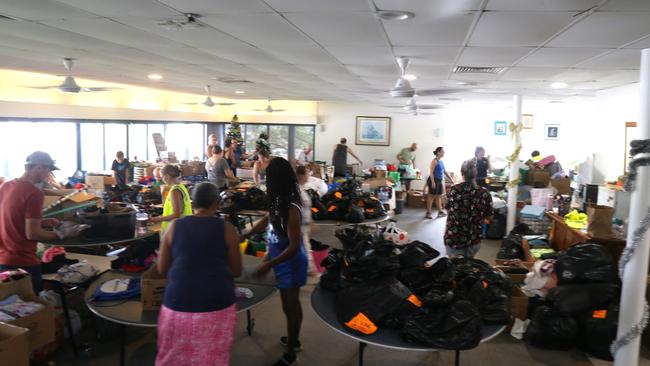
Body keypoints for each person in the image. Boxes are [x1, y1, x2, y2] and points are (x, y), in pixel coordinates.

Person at [155, 182, 242, 366]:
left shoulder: (174, 226)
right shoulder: (227, 229)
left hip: (177, 303)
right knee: (212, 358)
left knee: (173, 358)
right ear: (217, 203)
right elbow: (236, 271)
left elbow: (162, 269)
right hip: (217, 303)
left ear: (193, 202)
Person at [242, 158, 307, 366]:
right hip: (282, 258)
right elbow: (269, 218)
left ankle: (290, 354)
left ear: (276, 179)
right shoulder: (280, 198)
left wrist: (268, 264)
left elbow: (295, 245)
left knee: (290, 308)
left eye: (268, 176)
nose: (265, 180)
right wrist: (247, 233)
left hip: (291, 261)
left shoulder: (291, 208)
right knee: (292, 306)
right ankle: (294, 339)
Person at [0, 152, 62, 292]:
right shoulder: (34, 193)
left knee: (11, 308)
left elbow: (11, 218)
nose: (48, 174)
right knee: (34, 307)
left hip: (3, 260)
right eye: (48, 170)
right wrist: (61, 235)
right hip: (23, 262)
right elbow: (33, 234)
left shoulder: (6, 186)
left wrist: (43, 221)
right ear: (39, 167)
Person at [444, 159, 493, 258]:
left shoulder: (454, 190)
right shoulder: (484, 193)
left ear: (462, 173)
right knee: (468, 267)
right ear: (476, 174)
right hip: (474, 239)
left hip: (454, 238)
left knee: (453, 268)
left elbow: (448, 209)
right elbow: (489, 217)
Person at [150, 165, 192, 234]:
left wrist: (156, 219)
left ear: (167, 176)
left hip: (175, 230)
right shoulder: (181, 187)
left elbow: (176, 215)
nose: (162, 180)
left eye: (162, 177)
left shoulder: (174, 191)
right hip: (183, 226)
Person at [295, 166, 318, 276]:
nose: (308, 175)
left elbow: (305, 209)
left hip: (302, 226)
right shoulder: (297, 191)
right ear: (301, 175)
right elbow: (299, 210)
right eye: (307, 173)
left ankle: (309, 270)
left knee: (302, 248)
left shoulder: (300, 189)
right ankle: (310, 271)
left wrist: (311, 221)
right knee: (305, 247)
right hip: (298, 227)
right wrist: (308, 222)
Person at [425, 147, 454, 219]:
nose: (444, 152)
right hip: (433, 180)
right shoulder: (434, 161)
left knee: (438, 196)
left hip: (439, 181)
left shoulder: (441, 161)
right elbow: (431, 172)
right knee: (431, 197)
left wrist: (451, 179)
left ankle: (440, 211)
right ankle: (428, 213)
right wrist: (433, 182)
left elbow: (444, 171)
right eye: (442, 151)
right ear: (438, 152)